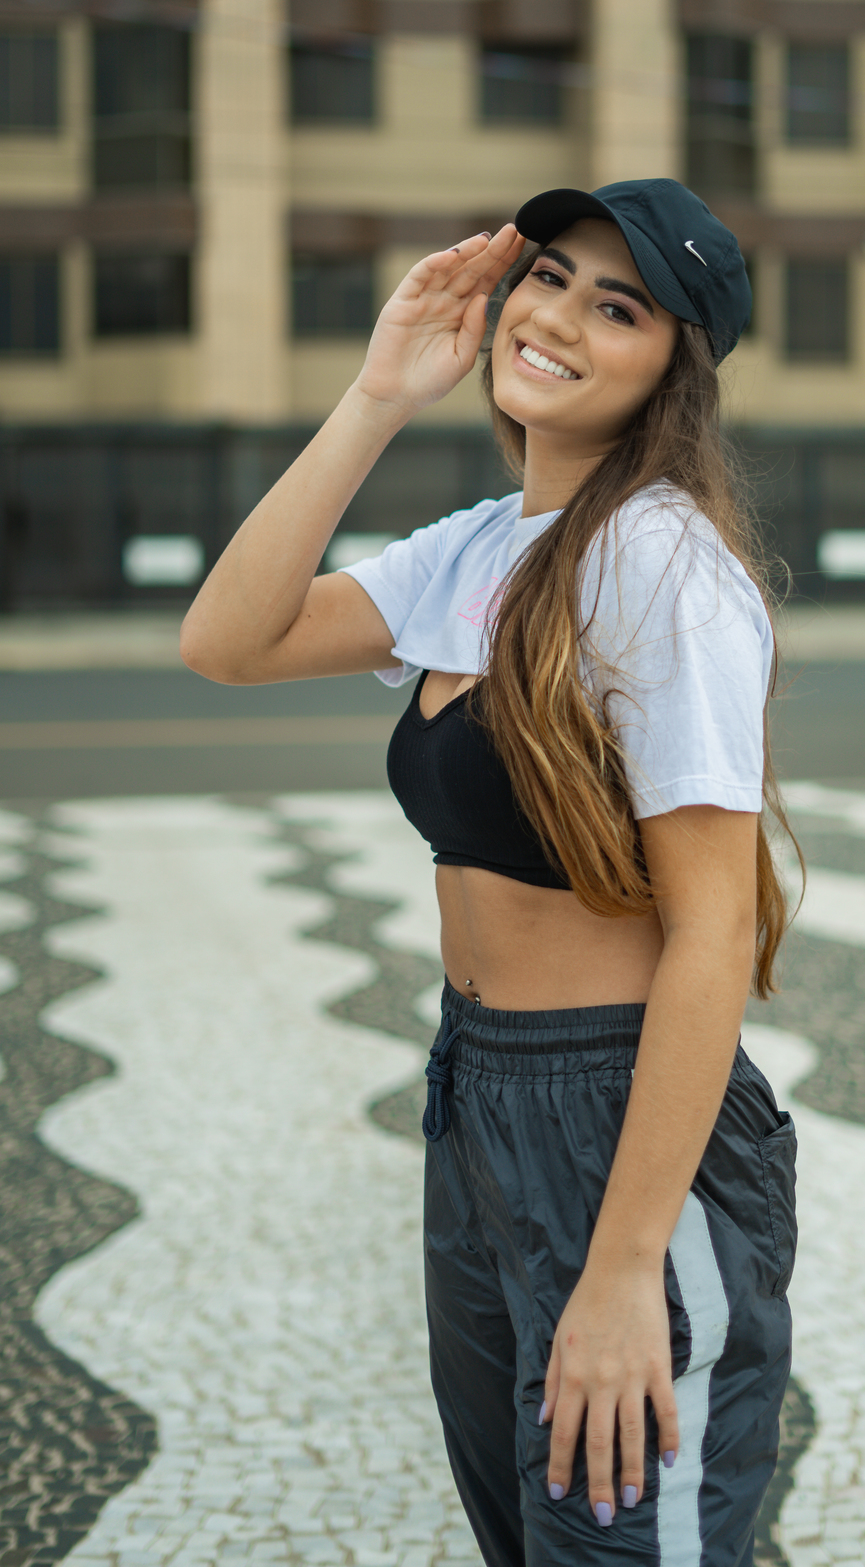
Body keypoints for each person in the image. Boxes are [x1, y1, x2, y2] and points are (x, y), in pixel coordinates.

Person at [181, 178, 800, 1567]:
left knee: (623, 1542)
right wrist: (376, 394)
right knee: (534, 1534)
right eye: (550, 278)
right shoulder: (478, 544)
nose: (561, 318)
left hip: (621, 1116)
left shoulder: (661, 568)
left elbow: (711, 934)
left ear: (672, 371)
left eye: (619, 305)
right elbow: (229, 640)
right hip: (478, 1095)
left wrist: (628, 1263)